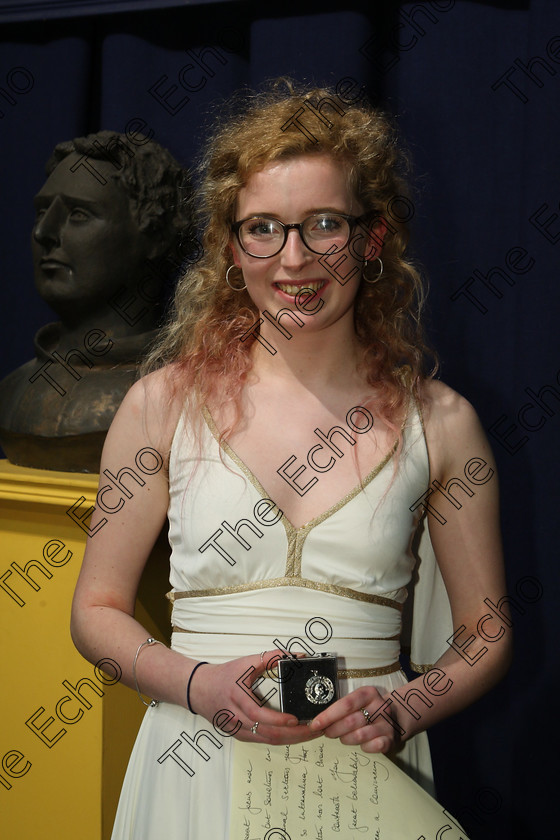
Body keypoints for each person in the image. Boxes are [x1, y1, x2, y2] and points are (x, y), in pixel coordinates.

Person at [70, 81, 511, 839]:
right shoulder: (158, 405)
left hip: (361, 780)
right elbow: (95, 610)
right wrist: (196, 684)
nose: (294, 258)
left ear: (373, 239)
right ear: (231, 247)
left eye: (324, 225)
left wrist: (405, 707)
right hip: (195, 761)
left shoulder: (444, 423)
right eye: (263, 229)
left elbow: (487, 632)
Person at [0, 130, 194, 471]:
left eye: (78, 214)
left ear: (155, 235)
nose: (43, 232)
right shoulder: (12, 392)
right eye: (42, 211)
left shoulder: (190, 397)